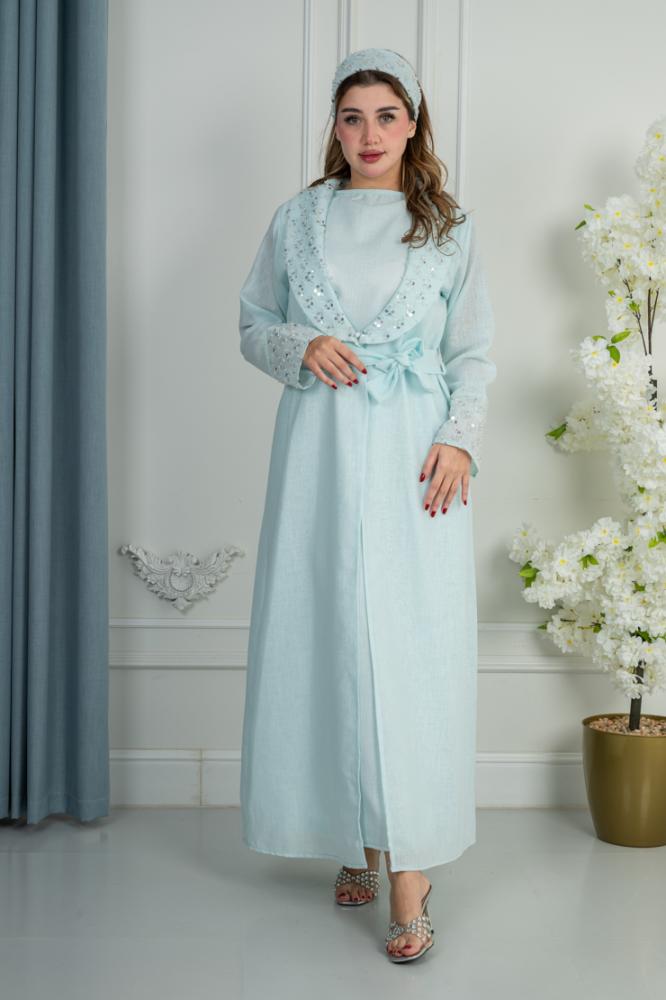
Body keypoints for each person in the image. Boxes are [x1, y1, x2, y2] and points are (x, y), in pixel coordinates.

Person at [238, 47, 496, 963]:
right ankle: (352, 832)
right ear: (336, 128)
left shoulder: (449, 228)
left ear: (413, 124)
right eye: (353, 117)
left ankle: (408, 871)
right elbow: (252, 323)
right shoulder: (297, 218)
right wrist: (300, 345)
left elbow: (474, 350)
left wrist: (460, 437)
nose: (370, 133)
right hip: (317, 448)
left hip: (416, 457)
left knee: (412, 648)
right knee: (327, 633)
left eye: (387, 115)